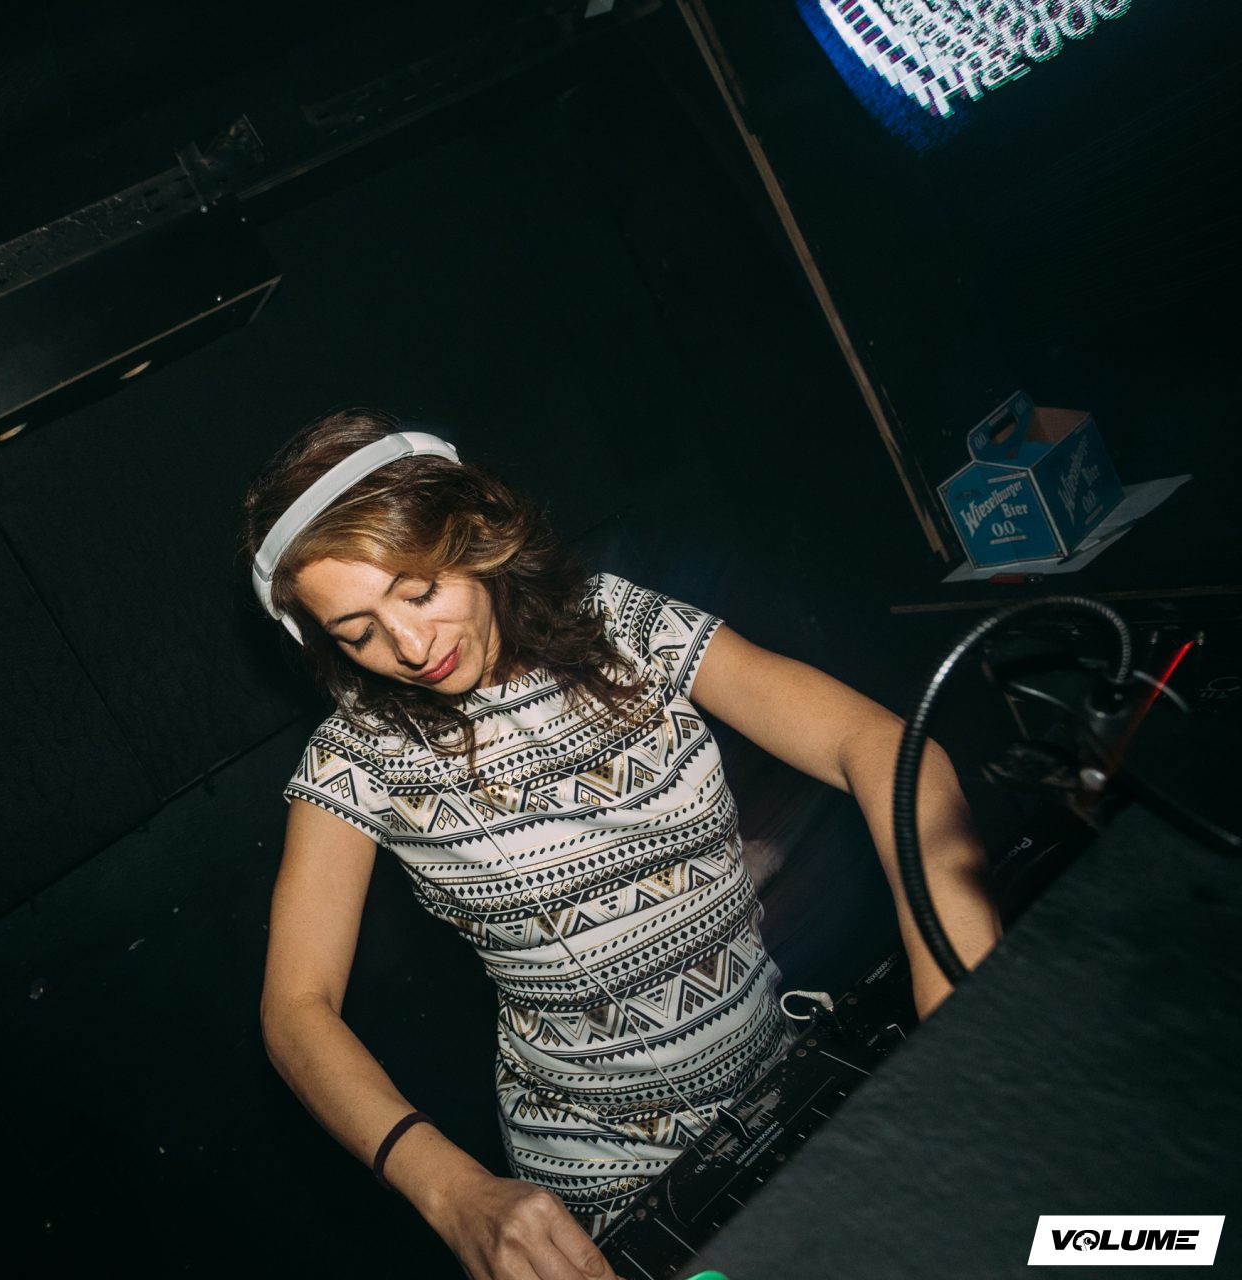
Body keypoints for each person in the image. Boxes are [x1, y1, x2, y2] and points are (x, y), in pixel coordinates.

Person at [242, 409, 1000, 1280]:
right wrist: (451, 1191)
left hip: (781, 1081)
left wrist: (962, 993)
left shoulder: (618, 622)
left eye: (418, 592)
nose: (410, 647)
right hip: (604, 1184)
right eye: (359, 633)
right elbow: (295, 1010)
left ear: (475, 529)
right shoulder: (354, 761)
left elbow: (881, 749)